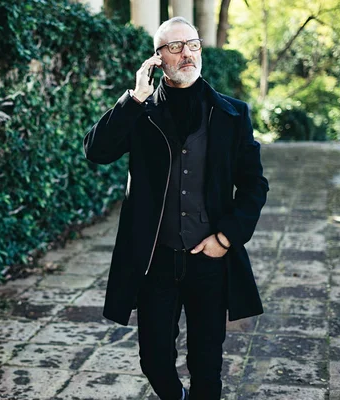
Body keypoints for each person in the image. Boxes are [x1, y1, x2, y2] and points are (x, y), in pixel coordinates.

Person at [83, 17, 269, 400]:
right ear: (158, 58)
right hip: (156, 261)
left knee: (207, 366)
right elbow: (97, 152)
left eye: (193, 44)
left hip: (210, 261)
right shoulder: (140, 112)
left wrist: (226, 236)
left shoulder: (232, 114)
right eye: (175, 46)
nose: (187, 53)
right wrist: (133, 99)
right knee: (154, 360)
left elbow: (254, 185)